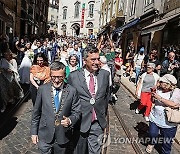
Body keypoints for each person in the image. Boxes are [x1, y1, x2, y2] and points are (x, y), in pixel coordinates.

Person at [31, 61, 81, 154]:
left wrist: (70, 120)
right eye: (54, 77)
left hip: (62, 136)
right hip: (44, 135)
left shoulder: (72, 91)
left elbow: (77, 112)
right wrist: (34, 132)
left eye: (60, 77)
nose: (57, 80)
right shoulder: (42, 89)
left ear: (65, 75)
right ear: (50, 75)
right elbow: (36, 113)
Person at [68, 45, 110, 154]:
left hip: (97, 122)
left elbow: (106, 97)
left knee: (95, 151)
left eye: (98, 59)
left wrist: (102, 113)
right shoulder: (73, 76)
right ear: (84, 60)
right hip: (80, 122)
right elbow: (69, 100)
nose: (97, 62)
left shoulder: (105, 74)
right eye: (93, 59)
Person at [146, 74, 180, 154]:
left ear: (167, 84)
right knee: (152, 133)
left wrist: (159, 98)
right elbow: (153, 101)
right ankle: (151, 143)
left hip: (169, 122)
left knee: (166, 143)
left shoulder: (176, 92)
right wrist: (153, 96)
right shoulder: (158, 89)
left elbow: (174, 104)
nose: (160, 83)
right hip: (155, 117)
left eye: (161, 82)